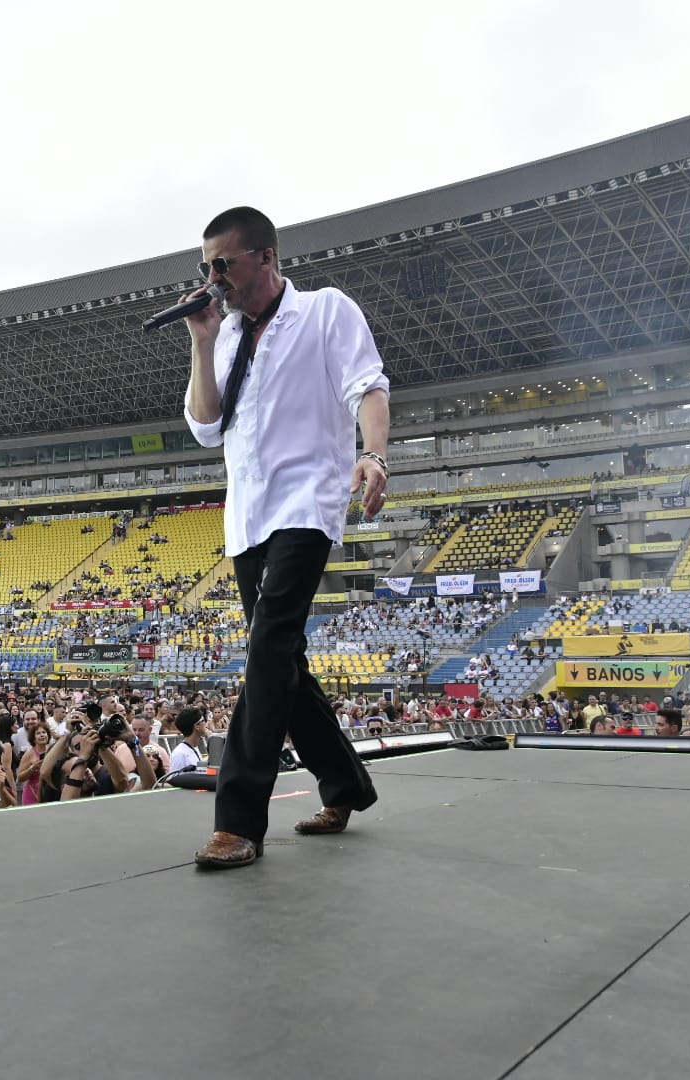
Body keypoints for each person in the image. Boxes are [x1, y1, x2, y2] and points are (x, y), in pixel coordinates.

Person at [181, 206, 387, 869]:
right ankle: (346, 784)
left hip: (307, 502)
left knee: (269, 646)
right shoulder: (228, 332)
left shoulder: (326, 311)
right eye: (205, 266)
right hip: (247, 515)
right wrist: (202, 339)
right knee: (283, 661)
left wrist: (374, 455)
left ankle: (239, 818)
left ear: (265, 258)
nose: (214, 277)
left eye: (223, 264)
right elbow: (207, 426)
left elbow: (369, 387)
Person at [168, 707, 209, 776]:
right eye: (203, 720)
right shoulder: (180, 754)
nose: (205, 723)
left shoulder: (194, 747)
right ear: (196, 726)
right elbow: (175, 781)